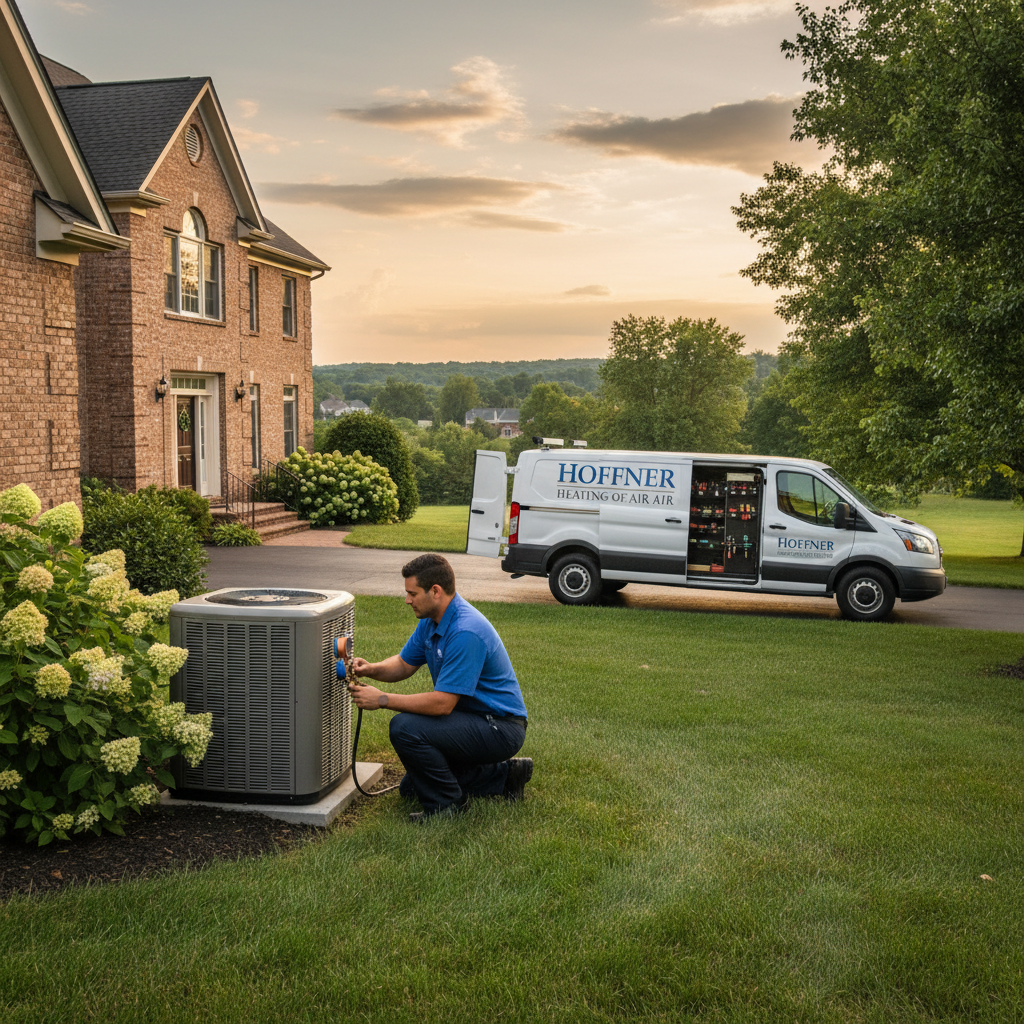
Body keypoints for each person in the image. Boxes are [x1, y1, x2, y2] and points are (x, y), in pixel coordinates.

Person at [349, 553, 532, 822]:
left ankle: (447, 806)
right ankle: (505, 776)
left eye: (412, 593)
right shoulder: (431, 621)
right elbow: (403, 664)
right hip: (471, 718)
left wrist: (383, 699)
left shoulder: (465, 631)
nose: (407, 599)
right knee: (410, 788)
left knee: (405, 728)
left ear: (435, 591)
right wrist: (371, 669)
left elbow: (442, 705)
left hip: (500, 727)